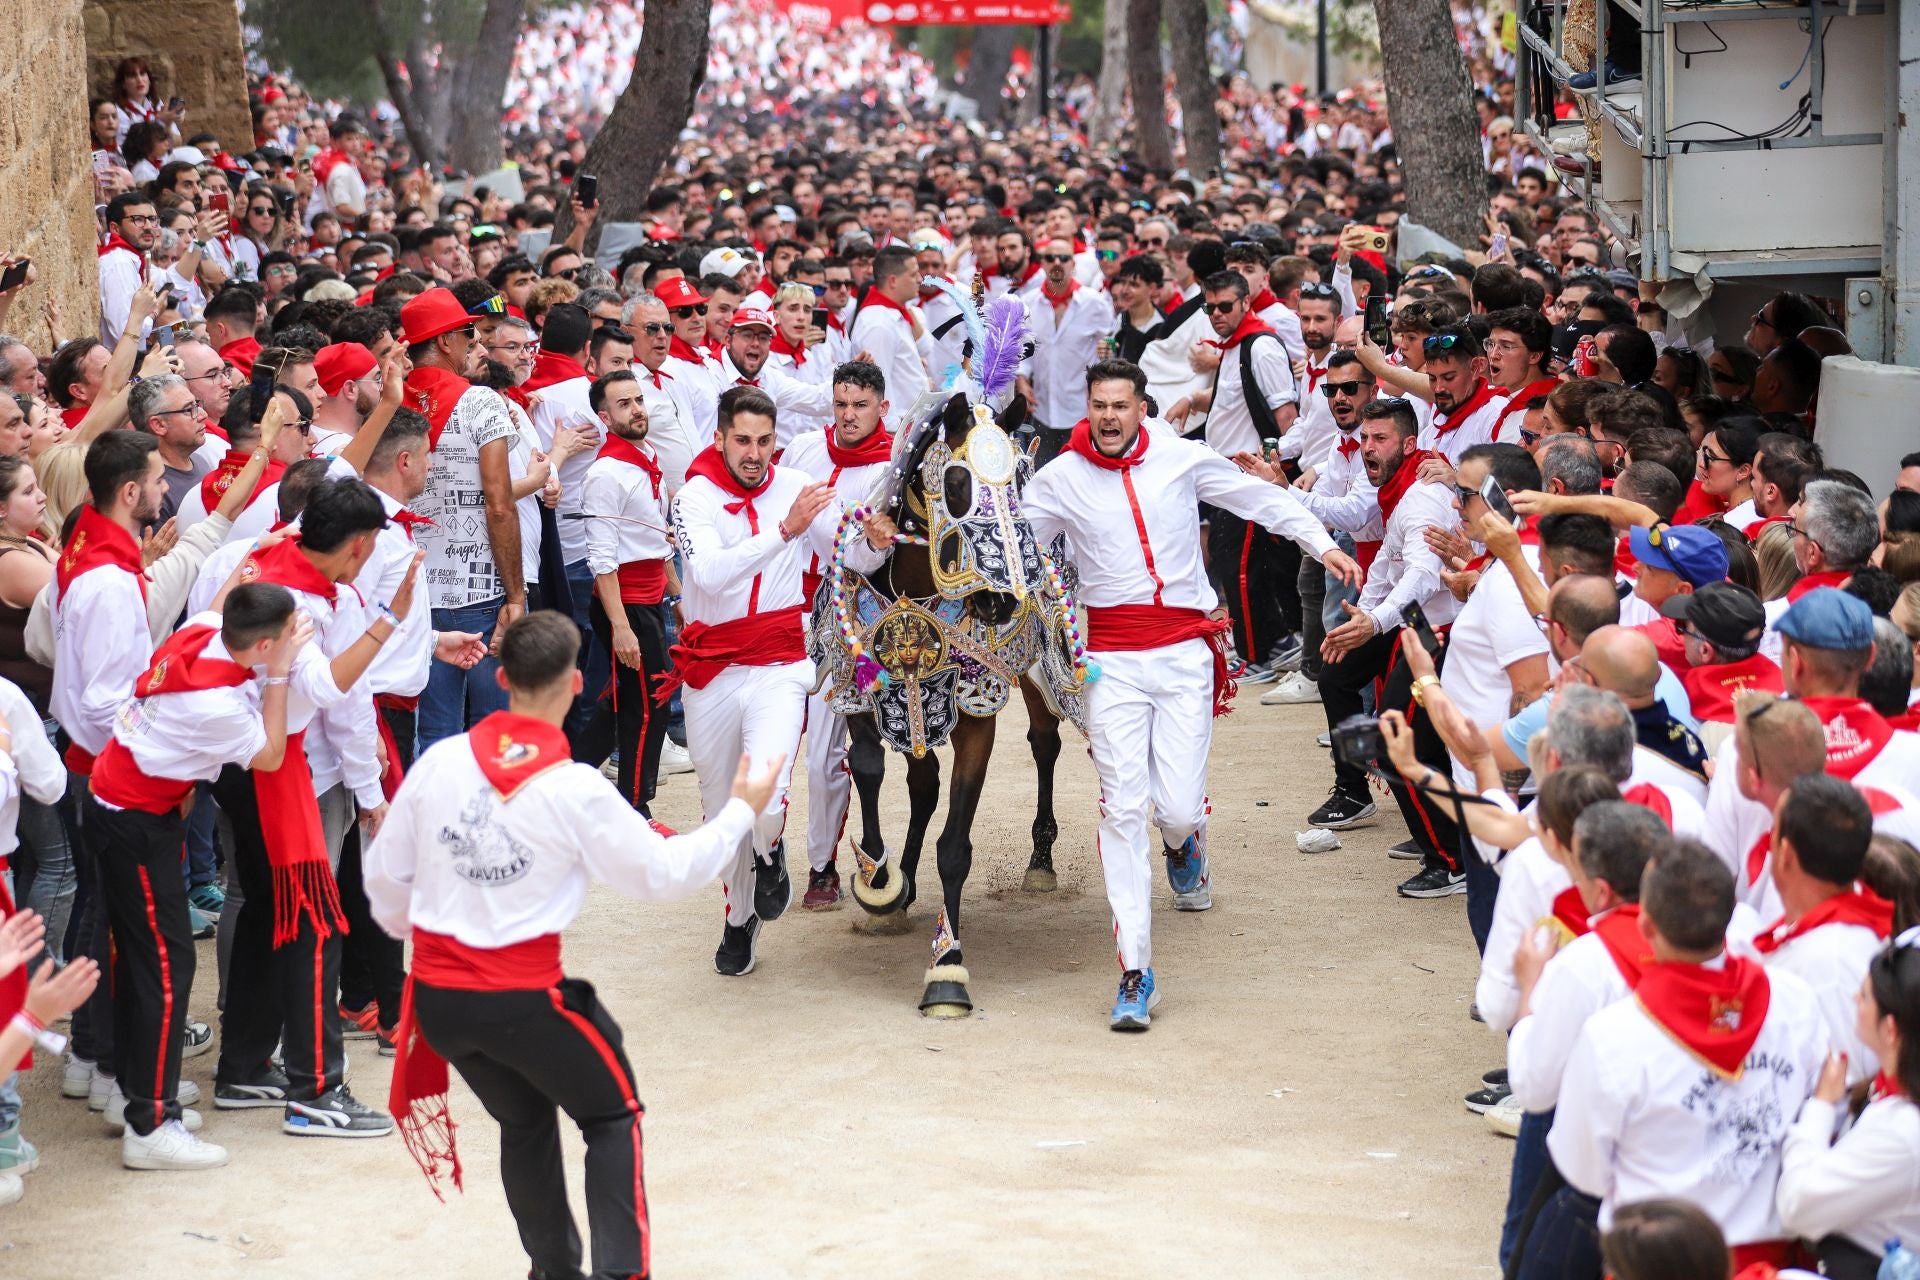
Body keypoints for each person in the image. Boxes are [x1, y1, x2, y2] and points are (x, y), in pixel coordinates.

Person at [364, 610, 788, 1280]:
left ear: (502, 679)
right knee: (611, 1115)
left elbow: (384, 882)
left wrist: (438, 943)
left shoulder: (441, 763)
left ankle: (552, 1272)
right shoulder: (574, 787)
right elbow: (665, 874)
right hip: (521, 1000)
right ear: (572, 685)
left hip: (440, 1002)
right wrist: (741, 807)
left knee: (524, 1120)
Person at [1022, 359, 1357, 1029]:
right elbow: (1010, 549)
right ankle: (1135, 972)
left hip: (1182, 655)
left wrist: (1321, 544)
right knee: (1123, 807)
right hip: (1111, 660)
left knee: (1174, 807)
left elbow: (1261, 500)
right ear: (1087, 406)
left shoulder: (1183, 458)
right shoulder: (1057, 478)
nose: (1109, 416)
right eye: (1099, 405)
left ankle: (1185, 844)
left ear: (1143, 408)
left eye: (1121, 404)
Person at [211, 479, 419, 1139]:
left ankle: (246, 1064)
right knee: (311, 923)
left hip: (239, 762)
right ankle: (316, 1091)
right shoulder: (323, 604)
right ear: (359, 546)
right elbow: (341, 697)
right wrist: (370, 793)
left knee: (267, 915)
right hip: (291, 770)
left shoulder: (255, 557)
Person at [85, 583, 308, 1170]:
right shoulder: (218, 704)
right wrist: (280, 675)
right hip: (133, 818)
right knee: (164, 965)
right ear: (262, 644)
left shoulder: (204, 626)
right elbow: (270, 754)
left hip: (126, 803)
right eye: (286, 635)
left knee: (144, 958)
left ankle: (132, 1092)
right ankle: (151, 1124)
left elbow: (234, 586)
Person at [1531, 843, 1824, 1277]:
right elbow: (1817, 1116)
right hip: (1768, 1261)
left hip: (1650, 1264)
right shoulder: (1796, 1003)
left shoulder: (1612, 1035)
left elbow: (1584, 1174)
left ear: (1645, 925)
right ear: (1730, 917)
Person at [669, 387, 849, 975]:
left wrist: (871, 536)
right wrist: (785, 530)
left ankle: (772, 851)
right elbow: (711, 576)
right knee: (724, 811)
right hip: (712, 670)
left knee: (765, 796)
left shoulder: (796, 486)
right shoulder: (692, 497)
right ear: (719, 437)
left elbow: (845, 551)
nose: (754, 453)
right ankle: (738, 917)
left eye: (765, 441)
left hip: (777, 664)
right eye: (742, 440)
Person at [1311, 398, 1466, 898]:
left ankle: (1450, 860)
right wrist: (1362, 616)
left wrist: (1374, 620)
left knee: (1401, 744)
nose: (1368, 449)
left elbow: (1422, 573)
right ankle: (1355, 792)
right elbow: (1385, 569)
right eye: (1365, 440)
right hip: (1411, 625)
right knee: (1335, 671)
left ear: (1409, 444)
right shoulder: (1399, 495)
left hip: (1439, 634)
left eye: (1380, 440)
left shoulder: (1419, 498)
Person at [780, 361, 895, 909]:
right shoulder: (804, 449)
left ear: (882, 408)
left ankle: (821, 865)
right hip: (783, 613)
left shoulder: (894, 467)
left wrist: (875, 545)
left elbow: (874, 559)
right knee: (775, 749)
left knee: (825, 755)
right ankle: (767, 849)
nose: (848, 416)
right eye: (841, 404)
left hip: (849, 622)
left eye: (860, 406)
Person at [400, 287, 526, 749]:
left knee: (434, 729)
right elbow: (499, 503)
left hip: (409, 587)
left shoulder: (386, 404)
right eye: (468, 333)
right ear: (445, 341)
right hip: (477, 588)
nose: (475, 342)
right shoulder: (481, 402)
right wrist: (516, 595)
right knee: (495, 727)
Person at [1166, 270, 1301, 682]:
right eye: (1210, 307)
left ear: (1245, 302)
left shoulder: (1260, 346)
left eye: (1225, 306)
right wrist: (1192, 398)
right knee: (1241, 564)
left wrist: (1269, 468)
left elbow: (1286, 416)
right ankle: (1270, 643)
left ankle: (1256, 653)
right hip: (1229, 472)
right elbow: (1234, 396)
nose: (1217, 314)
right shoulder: (1238, 345)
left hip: (1247, 475)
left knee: (1239, 566)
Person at [1776, 929, 1920, 1280]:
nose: (1854, 999)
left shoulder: (1901, 1134)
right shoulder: (1893, 1097)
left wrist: (1821, 1108)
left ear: (1890, 1029)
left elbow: (1796, 1206)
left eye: (1866, 996)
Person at [1755, 775, 1895, 1083]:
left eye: (1772, 832)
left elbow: (1846, 1092)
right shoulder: (1831, 930)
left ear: (1787, 854)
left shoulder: (1829, 967)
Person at [580, 370, 675, 819]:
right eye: (624, 404)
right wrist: (621, 627)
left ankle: (571, 773)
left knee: (627, 701)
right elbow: (602, 560)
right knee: (647, 705)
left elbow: (655, 538)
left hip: (650, 597)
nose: (637, 409)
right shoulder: (606, 474)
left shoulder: (646, 454)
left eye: (638, 400)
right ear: (604, 416)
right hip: (627, 604)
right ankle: (635, 805)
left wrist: (676, 596)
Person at [1021, 235, 1115, 447]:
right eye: (1051, 257)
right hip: (1042, 409)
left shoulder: (1095, 304)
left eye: (1063, 258)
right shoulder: (1028, 303)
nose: (1057, 263)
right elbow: (1023, 351)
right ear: (1042, 264)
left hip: (1082, 411)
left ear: (1073, 264)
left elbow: (1108, 351)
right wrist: (1021, 380)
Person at [849, 246, 929, 432]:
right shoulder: (878, 323)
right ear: (893, 280)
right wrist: (892, 436)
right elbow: (878, 385)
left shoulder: (890, 314)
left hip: (910, 425)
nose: (920, 279)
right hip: (898, 431)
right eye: (913, 274)